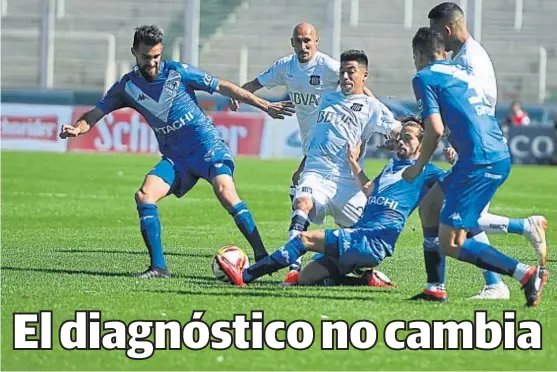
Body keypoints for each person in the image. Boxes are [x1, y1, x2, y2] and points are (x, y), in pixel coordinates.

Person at [59, 25, 295, 278]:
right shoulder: (126, 87)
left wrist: (264, 104)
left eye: (156, 57)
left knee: (226, 192)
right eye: (146, 57)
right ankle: (159, 268)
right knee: (144, 196)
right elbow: (96, 113)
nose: (152, 63)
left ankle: (261, 257)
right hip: (176, 158)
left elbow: (222, 86)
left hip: (206, 145)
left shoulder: (177, 72)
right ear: (134, 53)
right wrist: (78, 128)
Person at [403, 27, 548, 307]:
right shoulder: (462, 72)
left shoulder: (424, 77)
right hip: (490, 153)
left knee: (452, 242)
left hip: (479, 161)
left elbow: (433, 128)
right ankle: (435, 288)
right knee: (431, 206)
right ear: (443, 52)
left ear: (418, 55)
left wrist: (418, 166)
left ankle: (525, 274)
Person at [215, 118, 444, 286]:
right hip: (359, 235)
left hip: (370, 240)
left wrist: (458, 155)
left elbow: (455, 185)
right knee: (303, 279)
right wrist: (354, 163)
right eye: (400, 137)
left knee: (304, 239)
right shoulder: (391, 167)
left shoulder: (428, 172)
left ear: (421, 145)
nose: (401, 142)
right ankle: (366, 280)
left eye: (408, 138)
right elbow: (369, 189)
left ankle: (245, 275)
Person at [229, 23, 379, 274]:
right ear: (292, 43)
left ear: (317, 42)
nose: (303, 46)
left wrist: (374, 111)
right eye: (298, 41)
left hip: (335, 143)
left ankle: (299, 257)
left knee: (302, 191)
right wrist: (240, 94)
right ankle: (322, 254)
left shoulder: (329, 67)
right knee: (302, 194)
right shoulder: (285, 67)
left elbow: (358, 85)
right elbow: (256, 83)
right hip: (312, 144)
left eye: (308, 41)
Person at [281, 49, 401, 284]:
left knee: (365, 242)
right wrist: (302, 166)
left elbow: (397, 130)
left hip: (347, 182)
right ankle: (292, 268)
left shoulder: (371, 107)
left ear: (364, 76)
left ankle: (353, 274)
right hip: (317, 172)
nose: (345, 77)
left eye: (351, 72)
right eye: (343, 72)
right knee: (302, 203)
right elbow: (320, 137)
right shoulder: (327, 98)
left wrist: (407, 138)